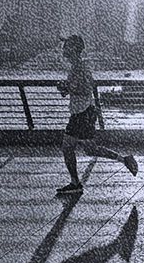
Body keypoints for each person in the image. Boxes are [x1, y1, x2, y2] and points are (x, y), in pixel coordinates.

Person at [56, 35, 138, 194]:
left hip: (82, 112)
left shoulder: (79, 67)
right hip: (85, 111)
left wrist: (67, 87)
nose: (63, 49)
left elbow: (85, 88)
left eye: (65, 46)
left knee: (67, 147)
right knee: (90, 149)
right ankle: (125, 160)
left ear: (73, 49)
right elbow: (86, 87)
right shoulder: (79, 66)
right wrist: (66, 88)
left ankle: (75, 183)